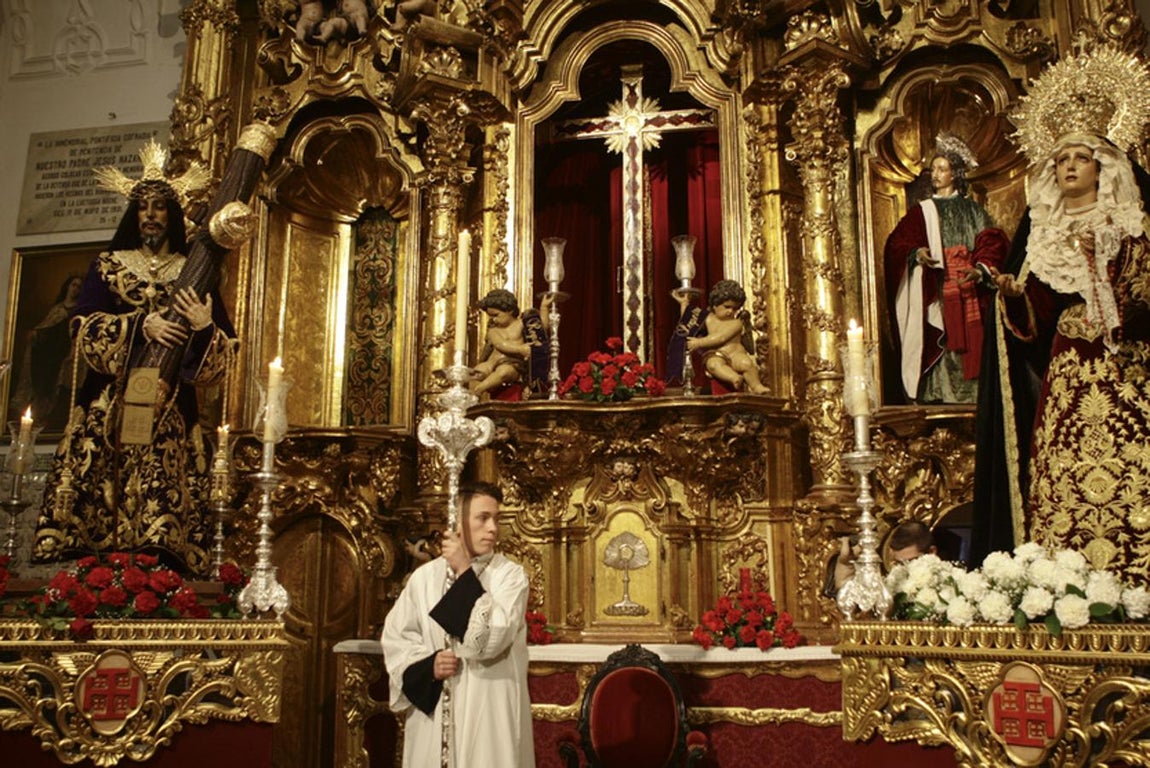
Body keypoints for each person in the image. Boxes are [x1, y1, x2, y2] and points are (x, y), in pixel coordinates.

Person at [975, 44, 1150, 578]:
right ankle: (1066, 583)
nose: (1070, 166)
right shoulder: (1042, 236)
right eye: (1061, 160)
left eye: (1080, 158)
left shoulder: (1130, 225)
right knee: (1062, 471)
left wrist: (1113, 285)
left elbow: (1143, 297)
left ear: (1104, 167)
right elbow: (1036, 321)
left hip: (1126, 371)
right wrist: (1012, 296)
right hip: (1068, 373)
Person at [32, 142, 235, 575]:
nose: (150, 215)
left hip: (171, 410)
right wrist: (140, 326)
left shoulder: (193, 268)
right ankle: (97, 584)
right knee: (99, 505)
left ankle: (156, 585)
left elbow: (225, 355)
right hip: (108, 405)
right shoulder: (109, 266)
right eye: (143, 207)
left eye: (160, 207)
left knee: (161, 509)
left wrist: (203, 327)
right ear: (133, 214)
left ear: (172, 215)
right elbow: (81, 327)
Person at [381, 481, 535, 768]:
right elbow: (397, 640)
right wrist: (429, 665)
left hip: (489, 711)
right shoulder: (424, 578)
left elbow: (490, 641)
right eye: (483, 518)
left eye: (496, 519)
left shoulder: (510, 576)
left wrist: (464, 570)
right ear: (458, 522)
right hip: (436, 713)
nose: (492, 528)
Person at [883, 134, 1010, 403]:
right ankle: (938, 393)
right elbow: (897, 243)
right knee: (939, 334)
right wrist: (917, 252)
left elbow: (992, 241)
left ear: (955, 174)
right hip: (937, 288)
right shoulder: (922, 211)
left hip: (968, 288)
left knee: (972, 341)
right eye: (934, 169)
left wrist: (981, 269)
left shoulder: (972, 210)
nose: (936, 175)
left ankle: (975, 396)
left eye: (943, 169)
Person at [11, 273, 84, 429]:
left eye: (79, 286)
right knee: (42, 383)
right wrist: (36, 334)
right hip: (49, 353)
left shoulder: (79, 311)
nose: (75, 289)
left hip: (64, 353)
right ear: (67, 286)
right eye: (73, 285)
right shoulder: (57, 309)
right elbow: (47, 327)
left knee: (56, 387)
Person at [671, 279, 768, 394]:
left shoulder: (736, 323)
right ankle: (734, 378)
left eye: (735, 308)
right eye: (727, 307)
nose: (731, 311)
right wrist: (684, 303)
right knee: (713, 365)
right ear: (715, 304)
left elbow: (721, 337)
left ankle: (756, 386)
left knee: (746, 364)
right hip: (716, 355)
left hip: (735, 355)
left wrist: (699, 343)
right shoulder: (708, 318)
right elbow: (688, 323)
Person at [470, 288, 550, 398]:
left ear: (510, 310)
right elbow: (500, 344)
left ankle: (480, 389)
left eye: (496, 315)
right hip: (491, 363)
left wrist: (544, 308)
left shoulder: (521, 324)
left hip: (512, 364)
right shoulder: (493, 331)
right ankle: (475, 400)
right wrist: (520, 349)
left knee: (504, 372)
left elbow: (542, 328)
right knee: (476, 373)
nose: (493, 320)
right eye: (491, 316)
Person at [825, 520, 937, 596]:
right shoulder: (891, 585)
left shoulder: (950, 585)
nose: (906, 568)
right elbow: (848, 595)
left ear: (932, 552)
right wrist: (845, 568)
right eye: (899, 563)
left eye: (911, 561)